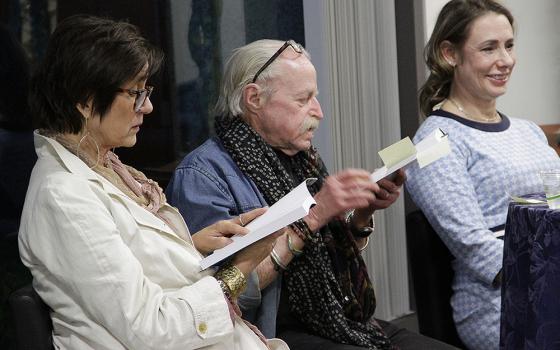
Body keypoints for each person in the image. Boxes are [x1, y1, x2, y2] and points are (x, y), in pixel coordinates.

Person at [18, 15, 289, 350]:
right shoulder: (63, 197)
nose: (146, 106)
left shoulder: (106, 167)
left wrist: (191, 245)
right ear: (85, 100)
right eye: (135, 93)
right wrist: (243, 266)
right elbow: (151, 328)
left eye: (146, 91)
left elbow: (129, 259)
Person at [166, 39, 458, 350]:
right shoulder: (203, 175)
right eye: (303, 100)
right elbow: (220, 297)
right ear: (254, 99)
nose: (318, 112)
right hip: (266, 334)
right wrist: (315, 216)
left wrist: (361, 215)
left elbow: (331, 264)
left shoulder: (302, 158)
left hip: (337, 320)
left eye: (315, 98)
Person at [405, 1, 560, 349]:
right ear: (450, 54)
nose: (504, 60)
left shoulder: (528, 131)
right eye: (488, 48)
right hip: (500, 302)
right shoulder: (437, 140)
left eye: (508, 45)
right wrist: (547, 276)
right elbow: (474, 246)